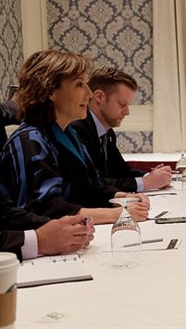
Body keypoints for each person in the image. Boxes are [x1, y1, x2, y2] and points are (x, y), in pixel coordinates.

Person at [0, 50, 150, 224]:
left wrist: (123, 197)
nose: (89, 93)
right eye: (80, 84)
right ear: (50, 90)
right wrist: (118, 214)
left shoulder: (68, 133)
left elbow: (92, 186)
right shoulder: (30, 140)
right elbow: (46, 208)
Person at [71, 66, 172, 192]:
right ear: (99, 97)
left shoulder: (107, 132)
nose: (127, 112)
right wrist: (145, 183)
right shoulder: (76, 129)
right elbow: (93, 182)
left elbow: (121, 170)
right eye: (122, 104)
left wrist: (150, 177)